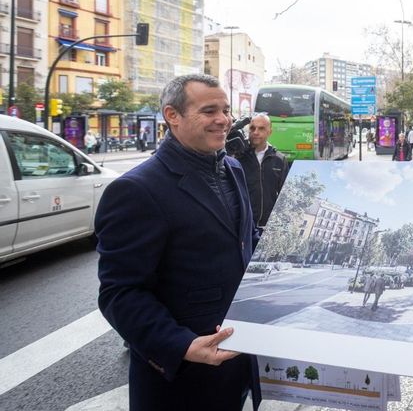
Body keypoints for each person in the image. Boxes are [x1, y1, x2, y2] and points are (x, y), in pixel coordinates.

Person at [96, 74, 261, 411]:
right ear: (172, 115)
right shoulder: (136, 190)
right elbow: (120, 293)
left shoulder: (233, 168)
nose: (224, 120)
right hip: (182, 380)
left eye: (226, 110)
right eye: (209, 111)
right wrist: (182, 345)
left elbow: (244, 242)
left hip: (238, 364)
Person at [234, 114, 288, 230]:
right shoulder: (238, 157)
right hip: (243, 225)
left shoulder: (279, 159)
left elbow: (285, 195)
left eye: (261, 128)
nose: (256, 132)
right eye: (252, 128)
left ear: (270, 131)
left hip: (268, 226)